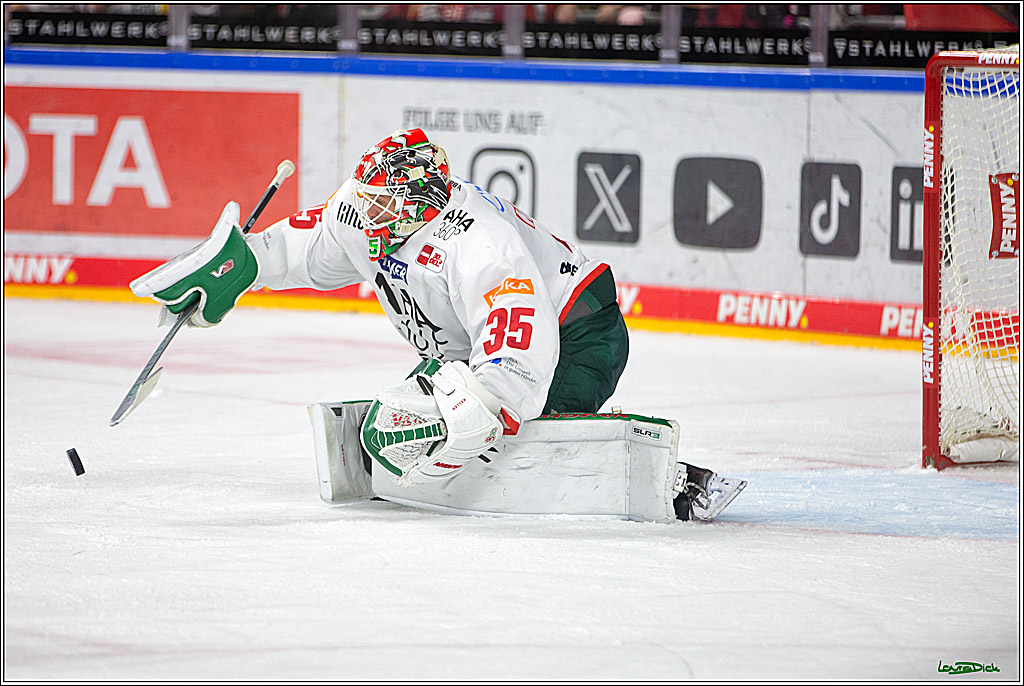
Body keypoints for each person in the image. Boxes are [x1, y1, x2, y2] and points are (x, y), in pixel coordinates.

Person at [132, 128, 630, 484]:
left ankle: (667, 480)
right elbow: (312, 245)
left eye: (380, 204)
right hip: (473, 341)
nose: (366, 213)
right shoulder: (367, 208)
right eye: (366, 199)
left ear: (418, 202)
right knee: (401, 429)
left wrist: (482, 409)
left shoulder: (478, 242)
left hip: (576, 330)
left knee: (524, 434)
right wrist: (244, 265)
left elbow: (520, 343)